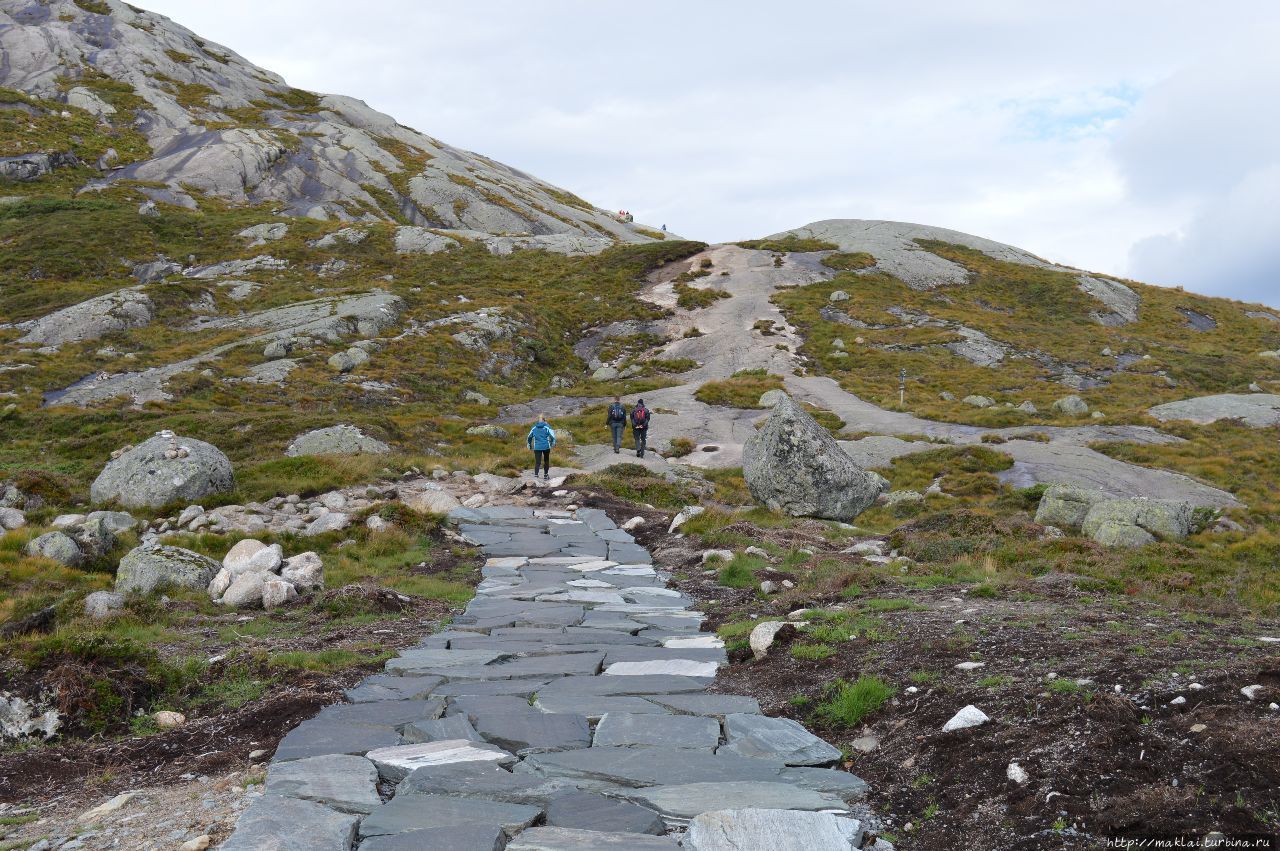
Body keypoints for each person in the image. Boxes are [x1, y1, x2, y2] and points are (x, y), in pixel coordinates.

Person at [526, 415, 556, 480]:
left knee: (537, 461)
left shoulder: (534, 427)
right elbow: (553, 436)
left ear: (538, 421)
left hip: (537, 447)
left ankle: (536, 476)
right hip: (546, 447)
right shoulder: (547, 427)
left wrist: (529, 444)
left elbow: (529, 437)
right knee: (546, 460)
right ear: (544, 420)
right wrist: (552, 443)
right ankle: (545, 476)